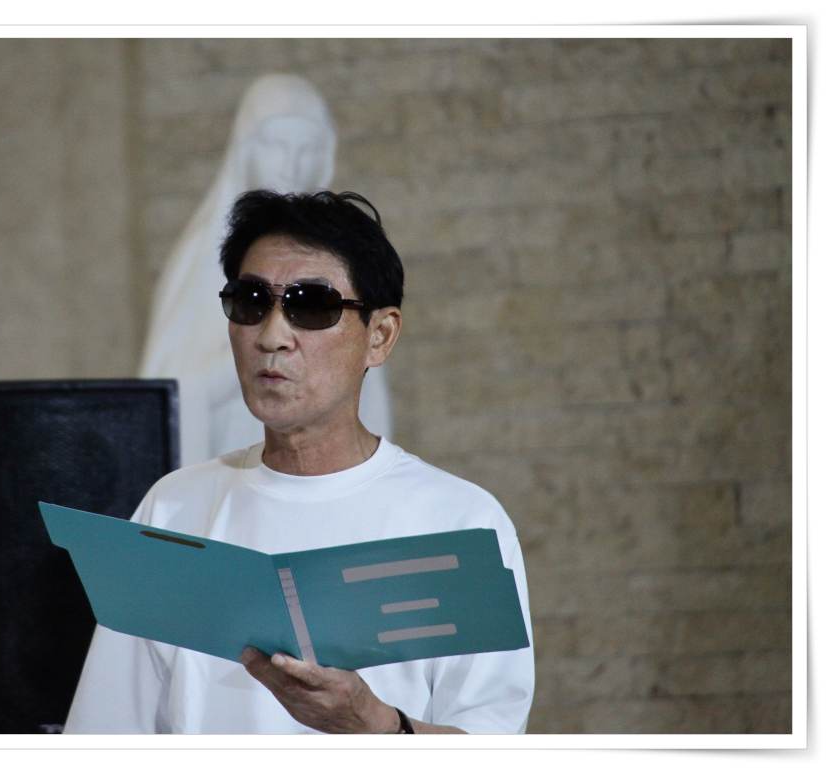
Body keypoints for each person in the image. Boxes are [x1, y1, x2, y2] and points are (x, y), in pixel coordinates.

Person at [66, 190, 534, 734]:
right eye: (251, 301)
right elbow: (105, 738)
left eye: (311, 305)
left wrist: (375, 726)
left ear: (380, 336)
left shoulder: (460, 521)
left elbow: (492, 751)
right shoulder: (173, 509)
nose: (272, 336)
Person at [137, 73, 393, 467]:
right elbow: (167, 393)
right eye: (275, 146)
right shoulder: (198, 258)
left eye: (306, 149)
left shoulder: (347, 260)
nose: (291, 164)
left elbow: (366, 394)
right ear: (245, 149)